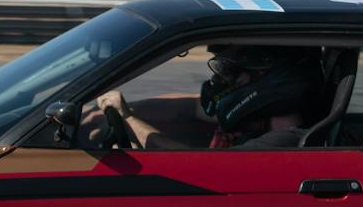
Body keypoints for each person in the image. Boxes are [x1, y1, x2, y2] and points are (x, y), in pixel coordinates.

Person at [94, 45, 325, 150]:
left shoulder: (282, 142)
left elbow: (191, 166)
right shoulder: (253, 120)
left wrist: (128, 120)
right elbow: (188, 107)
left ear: (267, 79)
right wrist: (108, 112)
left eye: (230, 71)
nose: (221, 80)